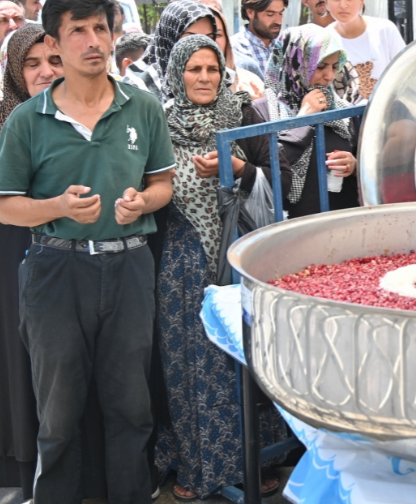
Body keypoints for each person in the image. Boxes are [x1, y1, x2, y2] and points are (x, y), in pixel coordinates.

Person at [0, 0, 176, 504]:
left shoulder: (143, 107)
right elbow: (4, 206)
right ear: (54, 42)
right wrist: (58, 207)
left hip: (130, 266)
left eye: (101, 28)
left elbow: (163, 184)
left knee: (131, 408)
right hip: (55, 270)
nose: (94, 41)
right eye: (78, 30)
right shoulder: (28, 119)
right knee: (58, 413)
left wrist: (143, 202)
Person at [152, 35, 291, 500]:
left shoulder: (242, 116)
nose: (205, 78)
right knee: (192, 366)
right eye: (194, 69)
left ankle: (256, 462)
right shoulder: (159, 123)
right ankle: (196, 464)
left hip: (240, 257)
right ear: (177, 74)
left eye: (212, 68)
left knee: (240, 356)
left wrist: (239, 169)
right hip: (183, 265)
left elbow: (281, 179)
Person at [0, 25, 63, 498]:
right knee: (14, 355)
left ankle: (75, 472)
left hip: (71, 249)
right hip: (7, 253)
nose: (45, 71)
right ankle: (17, 470)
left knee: (67, 358)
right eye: (32, 63)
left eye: (54, 60)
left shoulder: (86, 114)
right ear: (14, 69)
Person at [256, 29, 360, 217]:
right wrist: (304, 119)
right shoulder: (263, 111)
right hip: (289, 224)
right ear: (296, 64)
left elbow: (368, 165)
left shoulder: (343, 111)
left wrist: (354, 166)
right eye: (320, 67)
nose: (329, 76)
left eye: (334, 66)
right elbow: (265, 169)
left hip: (340, 221)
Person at [323, 0, 406, 101]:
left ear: (362, 0)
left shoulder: (385, 30)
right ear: (326, 2)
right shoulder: (322, 40)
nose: (343, 5)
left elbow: (405, 75)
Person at [124, 0, 223, 104]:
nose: (201, 45)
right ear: (168, 40)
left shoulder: (222, 83)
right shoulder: (138, 89)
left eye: (208, 38)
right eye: (190, 38)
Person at [182, 0, 264, 98]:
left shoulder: (248, 70)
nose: (206, 41)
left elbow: (271, 105)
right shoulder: (163, 84)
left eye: (216, 34)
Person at [230, 0, 289, 82]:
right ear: (250, 12)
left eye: (280, 13)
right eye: (270, 14)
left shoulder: (286, 46)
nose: (278, 21)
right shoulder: (234, 49)